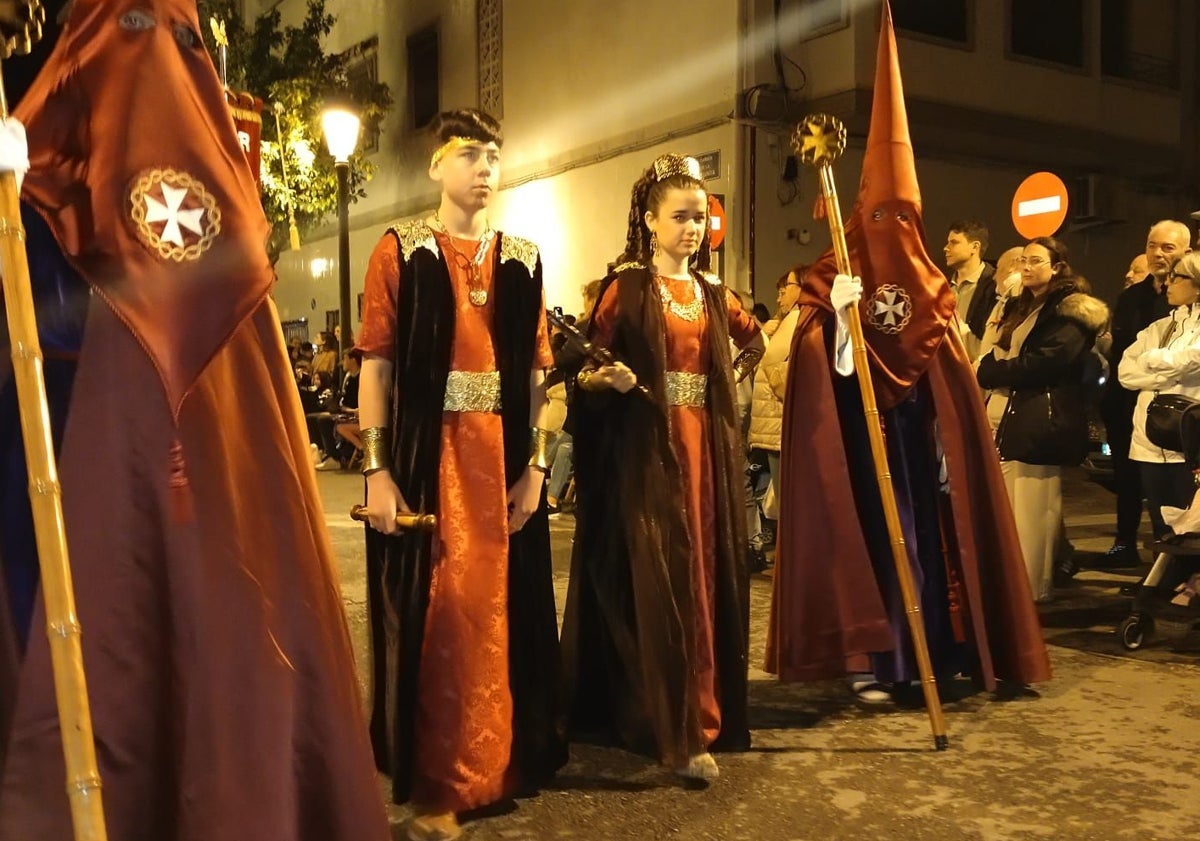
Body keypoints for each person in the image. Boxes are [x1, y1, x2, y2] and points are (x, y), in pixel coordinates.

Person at [0, 2, 389, 839]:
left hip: (148, 497)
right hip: (47, 465)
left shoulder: (220, 222)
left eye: (183, 45)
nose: (162, 67)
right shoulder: (45, 174)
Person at [767, 8, 1051, 701]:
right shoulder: (830, 273)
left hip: (921, 454)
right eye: (879, 217)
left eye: (904, 216)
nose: (892, 231)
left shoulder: (933, 288)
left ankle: (940, 654)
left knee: (929, 547)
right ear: (860, 214)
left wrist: (951, 444)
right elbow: (799, 363)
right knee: (862, 541)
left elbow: (952, 376)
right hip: (858, 445)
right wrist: (834, 321)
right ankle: (872, 658)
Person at [356, 108, 565, 841]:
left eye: (493, 156)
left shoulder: (525, 259)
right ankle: (441, 780)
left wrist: (538, 468)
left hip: (500, 466)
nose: (484, 167)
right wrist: (377, 472)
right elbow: (376, 368)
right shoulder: (399, 252)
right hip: (428, 461)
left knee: (500, 617)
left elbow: (544, 380)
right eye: (470, 153)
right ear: (436, 166)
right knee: (440, 615)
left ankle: (500, 763)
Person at [562, 153, 761, 781]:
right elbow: (581, 367)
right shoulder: (626, 289)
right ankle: (668, 721)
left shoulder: (712, 294)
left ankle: (704, 713)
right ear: (650, 220)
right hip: (647, 455)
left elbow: (753, 340)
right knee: (660, 579)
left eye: (700, 216)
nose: (693, 228)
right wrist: (608, 379)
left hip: (707, 451)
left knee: (703, 574)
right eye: (680, 217)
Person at [977, 238, 1109, 601]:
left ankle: (1031, 587)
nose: (1027, 266)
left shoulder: (1068, 310)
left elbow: (1046, 362)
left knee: (1033, 509)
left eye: (1036, 260)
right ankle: (1014, 583)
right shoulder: (1024, 304)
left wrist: (990, 372)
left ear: (1057, 266)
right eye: (1023, 260)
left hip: (1039, 420)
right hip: (1012, 415)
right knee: (1011, 507)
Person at [1100, 222, 1190, 567]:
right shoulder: (1132, 297)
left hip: (1172, 413)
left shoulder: (1187, 303)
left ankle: (1172, 567)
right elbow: (1124, 360)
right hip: (1126, 405)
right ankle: (1125, 545)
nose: (1158, 253)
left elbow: (1177, 361)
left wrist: (1146, 365)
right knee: (1127, 478)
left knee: (1170, 492)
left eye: (1167, 247)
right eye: (1153, 245)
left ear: (1186, 250)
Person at [1118, 251, 1200, 540]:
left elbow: (1194, 356)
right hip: (1148, 436)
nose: (1168, 284)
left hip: (1187, 440)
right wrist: (1168, 371)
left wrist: (1153, 361)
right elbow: (1125, 373)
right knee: (1159, 518)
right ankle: (1163, 578)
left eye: (1177, 278)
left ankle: (1189, 580)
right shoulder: (1158, 327)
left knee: (1191, 520)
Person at [944, 220, 996, 361]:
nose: (946, 248)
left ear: (975, 247)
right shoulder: (942, 287)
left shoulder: (995, 286)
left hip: (977, 375)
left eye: (954, 242)